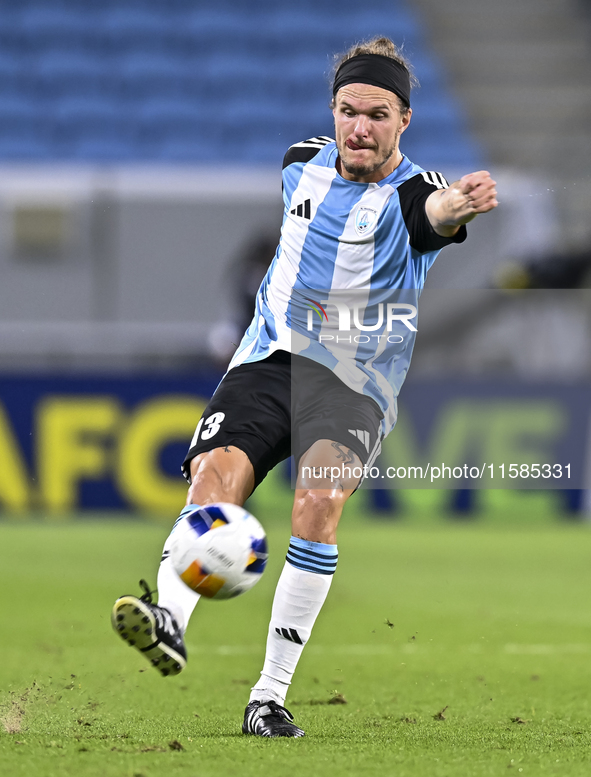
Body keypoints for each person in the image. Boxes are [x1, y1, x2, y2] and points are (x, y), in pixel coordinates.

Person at [111, 36, 498, 738]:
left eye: (377, 114)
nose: (360, 127)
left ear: (403, 120)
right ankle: (168, 615)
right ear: (332, 111)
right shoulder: (298, 164)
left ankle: (267, 695)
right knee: (213, 476)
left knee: (317, 499)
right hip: (268, 359)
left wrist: (458, 205)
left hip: (354, 379)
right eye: (349, 110)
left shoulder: (414, 192)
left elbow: (434, 216)